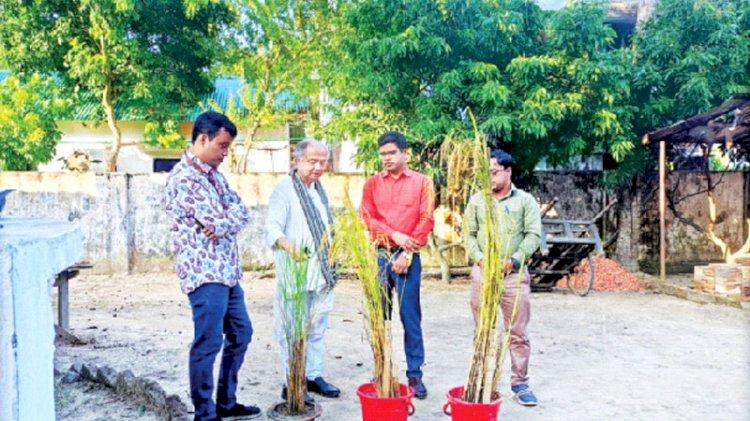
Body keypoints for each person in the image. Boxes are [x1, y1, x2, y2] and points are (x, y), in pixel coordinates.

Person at [165, 111, 260, 421]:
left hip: (228, 272)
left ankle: (226, 402)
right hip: (204, 273)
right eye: (222, 145)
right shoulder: (183, 177)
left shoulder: (215, 175)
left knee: (242, 333)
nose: (225, 153)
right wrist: (221, 222)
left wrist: (222, 223)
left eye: (228, 147)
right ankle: (204, 414)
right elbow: (215, 220)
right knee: (208, 342)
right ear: (202, 139)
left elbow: (240, 213)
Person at [360, 131, 435, 399]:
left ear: (406, 153)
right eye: (382, 154)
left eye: (391, 153)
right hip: (379, 256)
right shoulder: (372, 184)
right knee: (379, 317)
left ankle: (415, 375)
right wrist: (394, 236)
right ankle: (382, 369)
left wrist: (406, 251)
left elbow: (426, 219)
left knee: (410, 317)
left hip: (409, 258)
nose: (386, 158)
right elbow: (367, 217)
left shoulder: (423, 183)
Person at [464, 149, 542, 407]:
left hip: (513, 276)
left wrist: (514, 261)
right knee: (483, 330)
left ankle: (520, 383)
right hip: (483, 274)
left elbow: (533, 236)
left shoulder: (525, 201)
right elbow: (469, 235)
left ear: (508, 172)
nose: (489, 177)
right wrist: (481, 259)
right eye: (486, 172)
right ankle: (485, 381)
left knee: (517, 331)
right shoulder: (477, 201)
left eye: (494, 172)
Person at [265, 140, 341, 402]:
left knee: (318, 325)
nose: (318, 167)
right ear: (297, 160)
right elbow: (272, 229)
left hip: (321, 271)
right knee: (292, 329)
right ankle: (292, 381)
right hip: (295, 271)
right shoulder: (284, 190)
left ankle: (313, 375)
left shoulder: (319, 190)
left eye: (323, 162)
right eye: (312, 161)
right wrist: (289, 246)